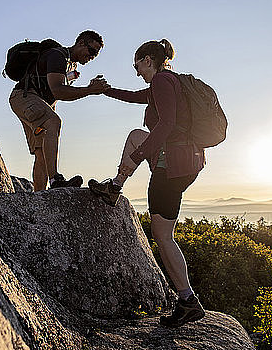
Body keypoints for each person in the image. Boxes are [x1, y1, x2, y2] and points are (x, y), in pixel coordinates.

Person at [88, 39, 206, 328]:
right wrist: (107, 91)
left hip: (171, 165)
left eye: (137, 64)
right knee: (135, 135)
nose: (136, 70)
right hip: (185, 161)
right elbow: (135, 97)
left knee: (163, 237)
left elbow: (165, 124)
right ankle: (114, 187)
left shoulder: (163, 82)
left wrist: (142, 155)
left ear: (148, 60)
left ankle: (188, 301)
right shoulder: (166, 82)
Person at [9, 30, 110, 191]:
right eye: (91, 51)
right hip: (25, 98)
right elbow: (58, 91)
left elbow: (59, 90)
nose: (92, 57)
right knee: (53, 121)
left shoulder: (69, 63)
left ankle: (39, 198)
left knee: (42, 153)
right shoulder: (58, 56)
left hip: (32, 102)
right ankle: (55, 179)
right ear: (81, 43)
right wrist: (90, 90)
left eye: (96, 55)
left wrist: (88, 87)